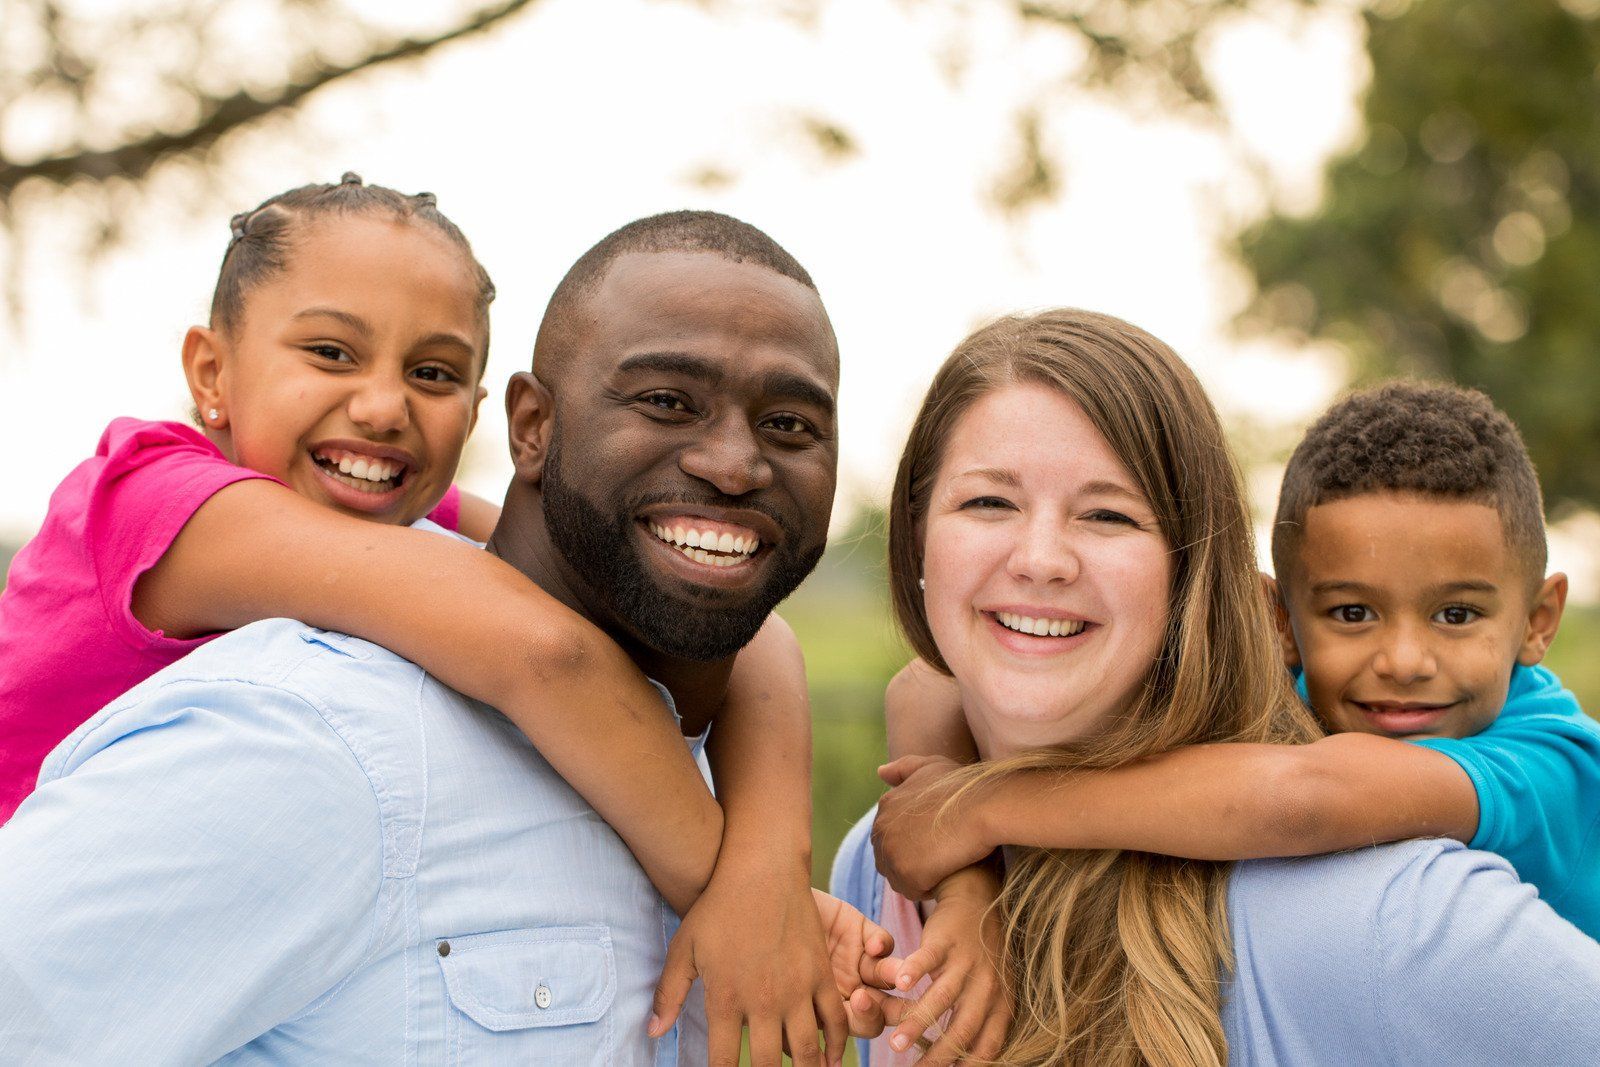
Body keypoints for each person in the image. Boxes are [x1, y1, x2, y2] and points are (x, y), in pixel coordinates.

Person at [0, 211, 894, 1064]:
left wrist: (768, 870)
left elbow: (760, 639)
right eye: (666, 400)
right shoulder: (293, 700)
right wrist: (742, 897)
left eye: (430, 373)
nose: (382, 407)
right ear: (531, 427)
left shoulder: (410, 529)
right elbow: (547, 655)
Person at [834, 309, 1600, 1065]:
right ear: (1283, 620)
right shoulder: (880, 862)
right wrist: (968, 879)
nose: (1403, 658)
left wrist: (983, 806)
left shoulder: (1415, 904)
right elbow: (924, 684)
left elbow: (1302, 795)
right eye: (988, 501)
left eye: (1107, 513)